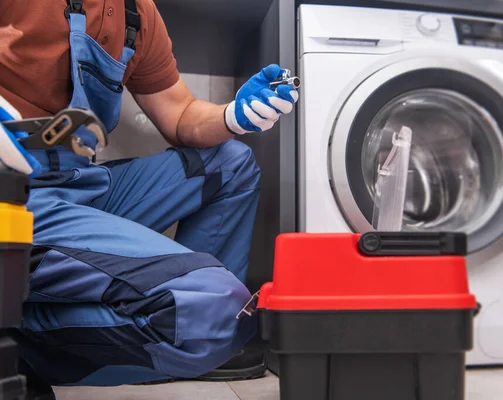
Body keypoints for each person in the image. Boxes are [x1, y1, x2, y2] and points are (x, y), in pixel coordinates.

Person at [0, 0, 298, 395]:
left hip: (77, 183)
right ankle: (16, 347)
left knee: (230, 162)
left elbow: (180, 114)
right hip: (13, 195)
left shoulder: (136, 12)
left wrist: (231, 116)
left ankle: (197, 334)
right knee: (212, 312)